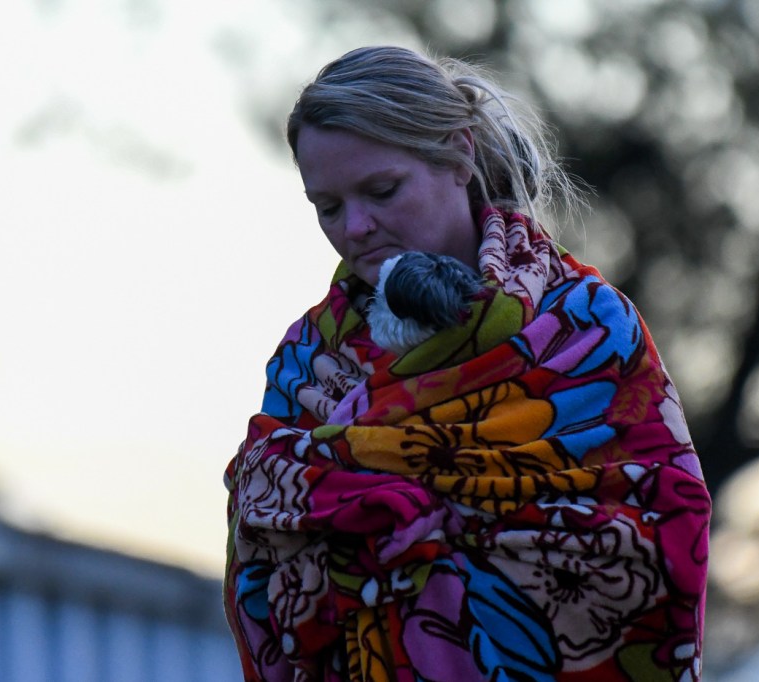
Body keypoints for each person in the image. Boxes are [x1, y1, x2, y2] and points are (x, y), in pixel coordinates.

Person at [223, 45, 711, 682]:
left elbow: (663, 534)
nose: (356, 227)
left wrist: (398, 525)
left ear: (458, 154)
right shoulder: (307, 358)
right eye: (328, 207)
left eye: (381, 190)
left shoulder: (585, 326)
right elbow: (261, 550)